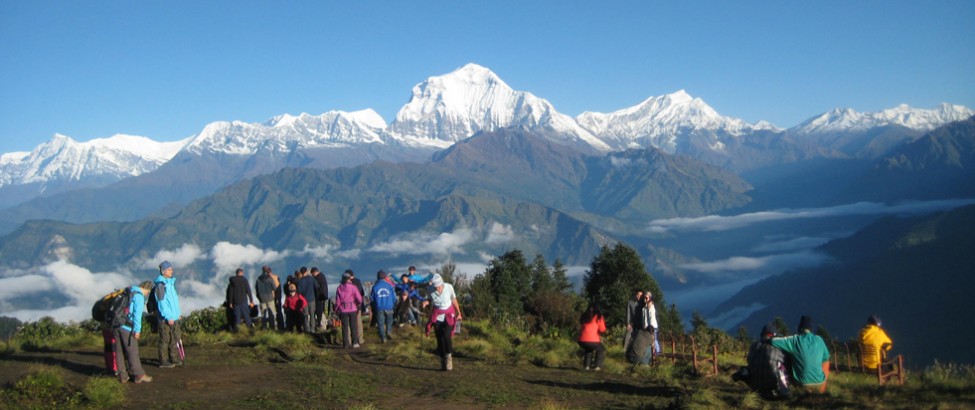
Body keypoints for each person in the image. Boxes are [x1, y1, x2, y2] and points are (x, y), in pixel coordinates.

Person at [771, 315, 830, 393]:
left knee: (787, 356)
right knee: (825, 362)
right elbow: (826, 358)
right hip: (819, 383)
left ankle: (787, 388)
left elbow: (773, 341)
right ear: (810, 329)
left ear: (800, 328)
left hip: (802, 384)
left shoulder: (795, 340)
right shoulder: (819, 340)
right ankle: (822, 389)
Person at [734, 324, 790, 399]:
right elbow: (785, 361)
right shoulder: (778, 346)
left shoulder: (754, 345)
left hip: (756, 386)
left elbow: (749, 361)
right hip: (774, 386)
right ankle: (784, 390)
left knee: (745, 369)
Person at [114, 281, 154, 383]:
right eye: (148, 291)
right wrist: (137, 330)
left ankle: (123, 376)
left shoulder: (128, 291)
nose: (147, 294)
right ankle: (138, 375)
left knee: (119, 351)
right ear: (147, 289)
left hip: (116, 324)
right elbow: (137, 315)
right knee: (132, 351)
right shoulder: (139, 296)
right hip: (127, 327)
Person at [425, 274, 462, 371]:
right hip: (437, 316)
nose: (437, 288)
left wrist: (459, 312)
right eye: (435, 286)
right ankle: (442, 361)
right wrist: (426, 303)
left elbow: (453, 299)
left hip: (449, 315)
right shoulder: (430, 289)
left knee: (446, 336)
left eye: (438, 286)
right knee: (439, 338)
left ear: (442, 283)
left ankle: (449, 359)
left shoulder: (449, 287)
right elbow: (429, 299)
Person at [154, 261, 183, 368]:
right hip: (165, 318)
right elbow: (162, 303)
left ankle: (174, 358)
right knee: (165, 339)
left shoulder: (170, 284)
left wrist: (177, 314)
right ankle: (163, 360)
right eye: (169, 269)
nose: (172, 271)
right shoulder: (161, 286)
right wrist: (168, 316)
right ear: (164, 271)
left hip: (174, 317)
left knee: (174, 338)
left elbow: (174, 302)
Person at [335, 270, 363, 348]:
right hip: (352, 308)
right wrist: (358, 303)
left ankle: (346, 344)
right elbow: (359, 298)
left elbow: (338, 300)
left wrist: (336, 309)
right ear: (349, 279)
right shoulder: (353, 287)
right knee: (353, 326)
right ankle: (355, 343)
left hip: (343, 309)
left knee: (344, 327)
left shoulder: (339, 288)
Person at [578, 302, 607, 371]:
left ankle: (586, 366)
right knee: (601, 349)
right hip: (592, 340)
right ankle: (597, 366)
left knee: (588, 349)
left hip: (581, 340)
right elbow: (602, 329)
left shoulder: (584, 316)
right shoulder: (598, 317)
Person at [371, 270, 396, 343]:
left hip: (379, 307)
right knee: (389, 321)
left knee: (380, 323)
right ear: (385, 277)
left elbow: (372, 298)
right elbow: (394, 297)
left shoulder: (375, 286)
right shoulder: (389, 286)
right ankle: (388, 331)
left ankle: (383, 337)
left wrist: (374, 306)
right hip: (389, 306)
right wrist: (393, 304)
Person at [255, 265, 279, 330]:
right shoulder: (269, 279)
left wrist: (259, 297)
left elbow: (256, 290)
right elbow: (274, 288)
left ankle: (264, 326)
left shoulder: (258, 279)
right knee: (272, 313)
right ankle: (272, 326)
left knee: (263, 314)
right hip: (270, 297)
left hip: (262, 298)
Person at [296, 267, 319, 333]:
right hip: (312, 299)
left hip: (304, 300)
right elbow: (317, 286)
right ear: (306, 271)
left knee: (305, 315)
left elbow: (299, 292)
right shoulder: (311, 279)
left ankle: (307, 329)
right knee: (312, 315)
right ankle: (313, 329)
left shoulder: (300, 281)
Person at [623, 290, 643, 354]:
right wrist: (628, 323)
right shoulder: (630, 303)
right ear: (635, 295)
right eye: (638, 295)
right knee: (628, 336)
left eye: (640, 295)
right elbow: (628, 314)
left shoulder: (643, 303)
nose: (638, 297)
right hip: (632, 323)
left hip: (641, 324)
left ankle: (637, 352)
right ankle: (624, 350)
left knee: (639, 337)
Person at [350, 270, 367, 345]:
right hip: (358, 305)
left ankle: (350, 339)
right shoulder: (358, 281)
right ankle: (360, 338)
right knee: (358, 322)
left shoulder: (345, 283)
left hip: (349, 306)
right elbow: (362, 293)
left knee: (349, 323)